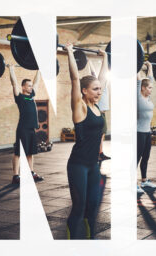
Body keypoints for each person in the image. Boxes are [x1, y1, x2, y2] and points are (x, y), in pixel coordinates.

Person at [63, 43, 108, 239]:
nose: (100, 92)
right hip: (78, 164)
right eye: (95, 89)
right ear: (84, 91)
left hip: (93, 165)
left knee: (93, 206)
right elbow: (74, 78)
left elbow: (103, 79)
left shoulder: (97, 107)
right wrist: (70, 53)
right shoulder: (80, 108)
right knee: (79, 207)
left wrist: (106, 57)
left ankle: (89, 240)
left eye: (100, 89)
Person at [6, 63, 45, 184]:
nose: (31, 87)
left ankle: (31, 172)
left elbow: (37, 82)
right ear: (23, 87)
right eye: (28, 86)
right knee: (18, 152)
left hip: (31, 129)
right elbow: (14, 83)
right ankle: (16, 176)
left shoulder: (32, 96)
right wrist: (11, 69)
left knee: (30, 152)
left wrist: (39, 70)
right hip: (22, 128)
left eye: (31, 86)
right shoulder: (20, 97)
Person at [136, 62, 156, 194]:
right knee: (136, 159)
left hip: (147, 132)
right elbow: (138, 80)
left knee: (146, 157)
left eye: (151, 87)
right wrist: (137, 64)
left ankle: (144, 180)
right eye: (149, 87)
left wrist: (150, 67)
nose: (151, 89)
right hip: (138, 132)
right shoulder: (138, 97)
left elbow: (150, 79)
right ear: (142, 88)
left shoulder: (148, 97)